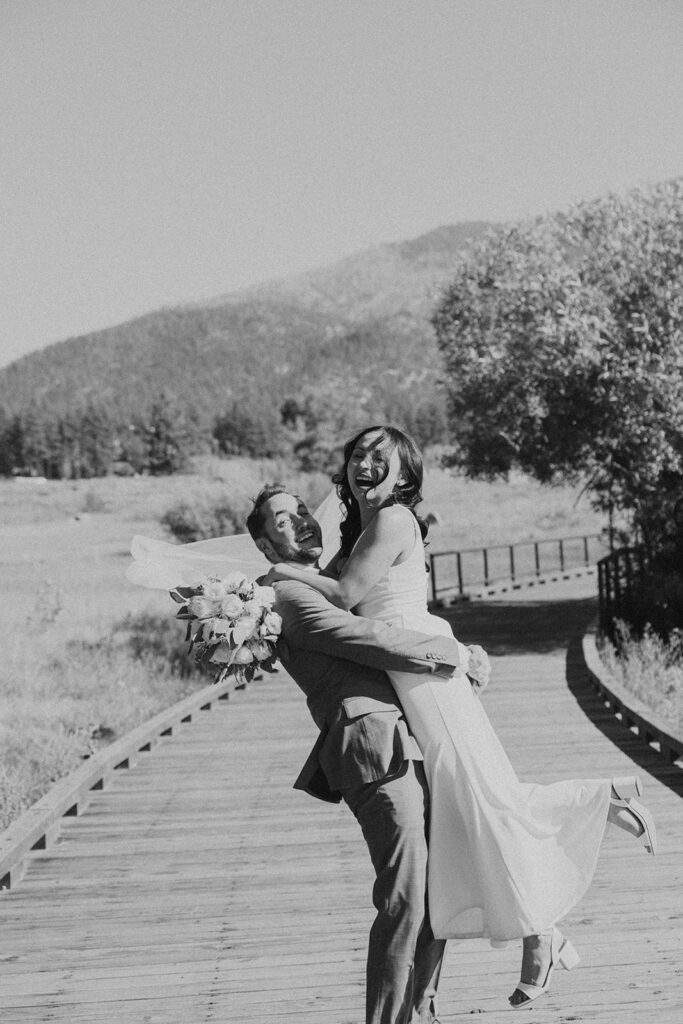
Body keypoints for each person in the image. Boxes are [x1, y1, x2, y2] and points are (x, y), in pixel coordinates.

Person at [259, 424, 657, 1011]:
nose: (364, 462)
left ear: (404, 473)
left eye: (379, 456)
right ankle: (542, 923)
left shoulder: (391, 520)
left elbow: (349, 602)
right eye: (357, 455)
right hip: (414, 685)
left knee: (480, 798)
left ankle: (597, 808)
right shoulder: (360, 535)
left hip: (426, 677)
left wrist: (452, 653)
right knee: (471, 806)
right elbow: (366, 600)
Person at [245, 484, 490, 1024]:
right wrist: (452, 654)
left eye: (303, 510)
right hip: (372, 748)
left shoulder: (330, 579)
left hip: (411, 738)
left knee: (435, 887)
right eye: (283, 521)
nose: (302, 521)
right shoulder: (285, 594)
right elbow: (363, 636)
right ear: (265, 547)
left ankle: (419, 1010)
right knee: (404, 895)